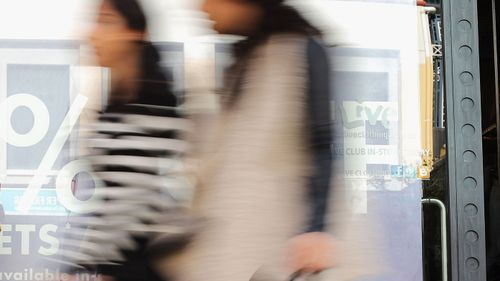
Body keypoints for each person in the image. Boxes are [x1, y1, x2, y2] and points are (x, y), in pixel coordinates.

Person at [166, 0, 335, 280]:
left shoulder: (298, 51)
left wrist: (316, 228)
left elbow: (321, 143)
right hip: (237, 242)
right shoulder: (247, 59)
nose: (202, 8)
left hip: (280, 246)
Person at [55, 0, 196, 280]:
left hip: (138, 266)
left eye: (105, 21)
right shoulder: (125, 103)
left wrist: (83, 265)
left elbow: (130, 201)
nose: (91, 34)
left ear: (135, 33)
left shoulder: (151, 107)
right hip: (130, 263)